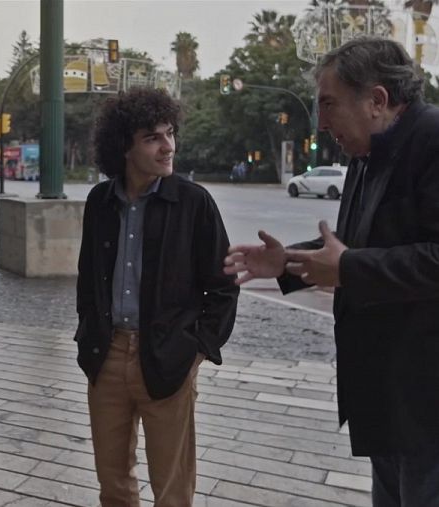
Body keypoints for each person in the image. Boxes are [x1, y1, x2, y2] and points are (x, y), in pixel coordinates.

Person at [223, 36, 439, 506]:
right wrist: (287, 264)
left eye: (328, 104)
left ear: (377, 100)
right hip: (388, 397)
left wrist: (350, 266)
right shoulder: (366, 153)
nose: (321, 122)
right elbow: (353, 248)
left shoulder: (433, 140)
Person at [76, 87, 239, 507]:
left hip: (168, 359)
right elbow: (87, 278)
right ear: (124, 147)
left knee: (172, 488)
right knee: (113, 485)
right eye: (152, 137)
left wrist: (198, 350)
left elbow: (223, 285)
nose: (168, 146)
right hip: (107, 356)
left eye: (169, 133)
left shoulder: (193, 202)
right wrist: (87, 336)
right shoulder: (100, 202)